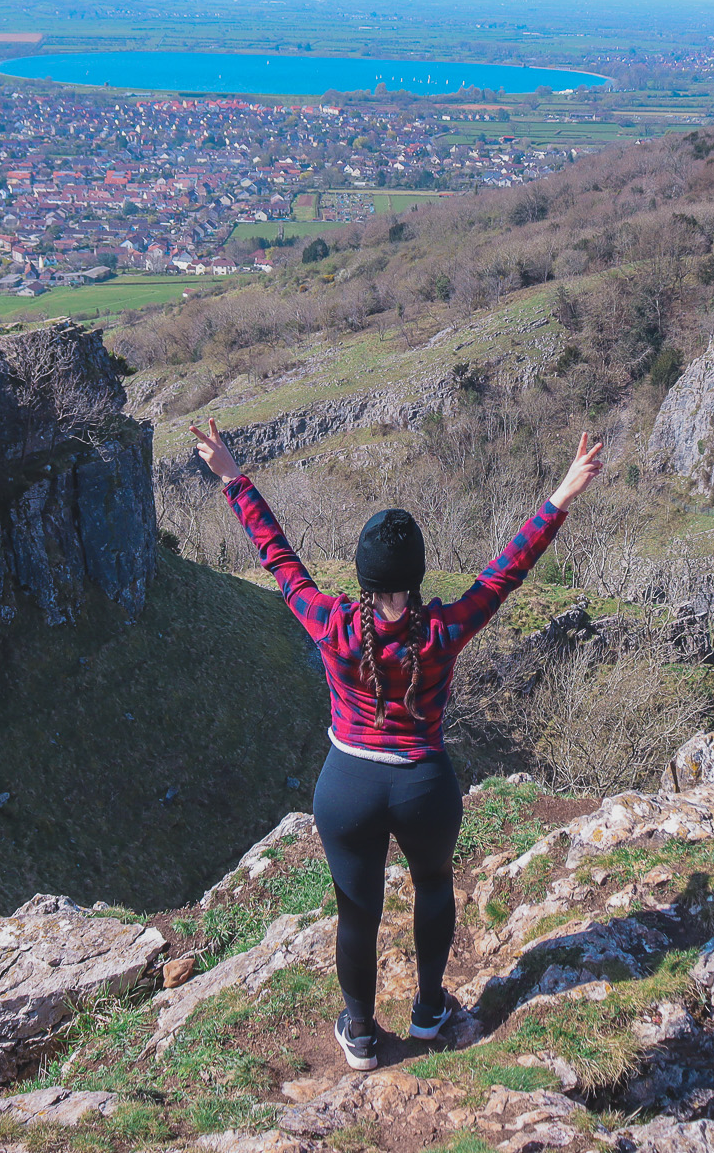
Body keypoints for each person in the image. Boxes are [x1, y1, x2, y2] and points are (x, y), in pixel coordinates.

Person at [189, 419, 605, 1071]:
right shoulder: (443, 630)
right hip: (423, 785)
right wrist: (562, 494)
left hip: (347, 786)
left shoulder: (331, 623)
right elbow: (506, 572)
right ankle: (429, 1010)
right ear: (416, 576)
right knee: (433, 886)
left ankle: (359, 1032)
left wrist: (233, 477)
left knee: (356, 911)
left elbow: (279, 558)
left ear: (362, 577)